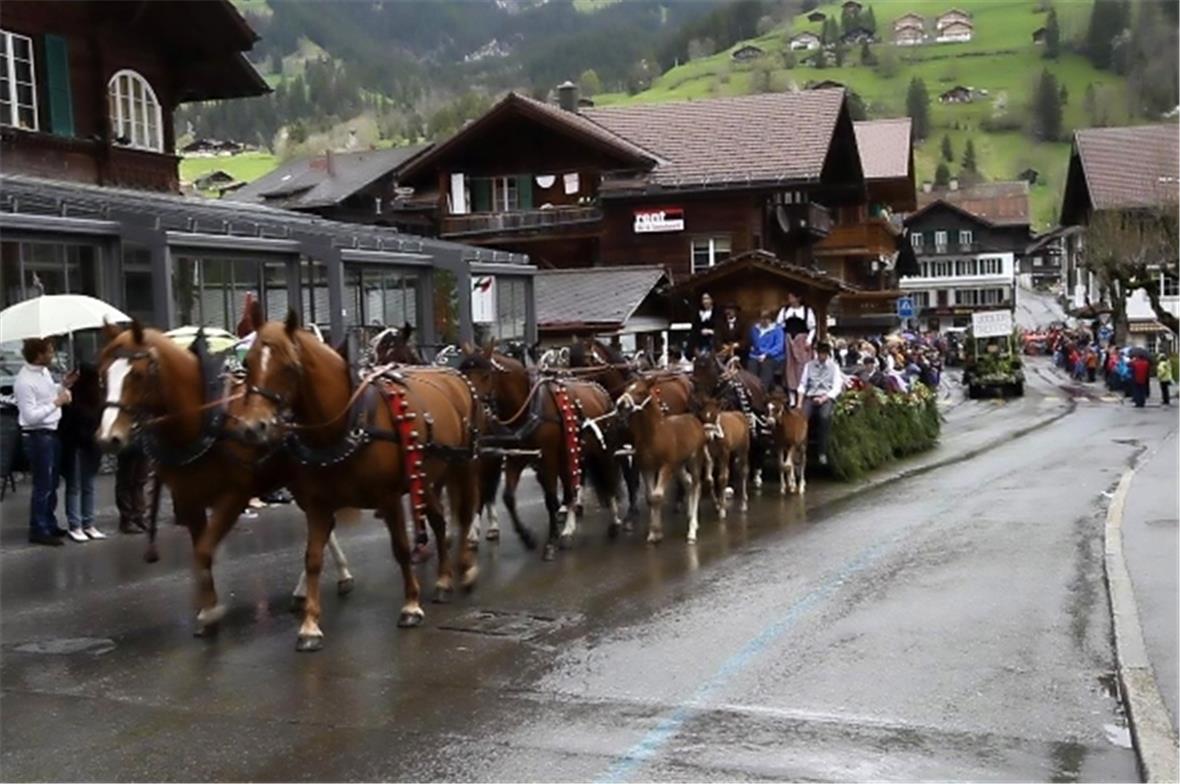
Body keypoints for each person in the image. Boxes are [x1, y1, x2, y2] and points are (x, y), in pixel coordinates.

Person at [14, 338, 73, 546]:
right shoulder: (24, 381)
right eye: (49, 351)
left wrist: (62, 386)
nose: (52, 354)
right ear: (38, 355)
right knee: (43, 485)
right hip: (37, 436)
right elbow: (30, 416)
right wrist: (57, 403)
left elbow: (46, 394)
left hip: (51, 433)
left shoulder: (44, 373)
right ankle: (38, 528)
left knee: (52, 483)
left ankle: (49, 522)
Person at [58, 362, 106, 542]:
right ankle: (76, 524)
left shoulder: (97, 396)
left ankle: (88, 523)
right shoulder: (74, 396)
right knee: (76, 486)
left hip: (88, 446)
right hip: (77, 446)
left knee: (87, 486)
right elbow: (68, 424)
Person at [797, 341, 843, 466]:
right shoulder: (809, 365)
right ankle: (800, 448)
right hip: (811, 395)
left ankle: (822, 451)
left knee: (824, 417)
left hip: (826, 397)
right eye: (819, 353)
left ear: (827, 354)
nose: (821, 356)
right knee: (803, 417)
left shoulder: (834, 367)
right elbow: (802, 384)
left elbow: (836, 387)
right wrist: (799, 403)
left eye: (823, 354)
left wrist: (825, 398)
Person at [746, 310, 785, 390]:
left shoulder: (777, 329)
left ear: (770, 320)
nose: (763, 321)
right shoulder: (754, 329)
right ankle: (752, 389)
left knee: (766, 365)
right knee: (751, 364)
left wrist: (766, 354)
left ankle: (763, 390)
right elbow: (754, 344)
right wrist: (755, 352)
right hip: (757, 354)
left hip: (774, 356)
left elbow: (779, 347)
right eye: (762, 319)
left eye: (766, 319)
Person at [689, 293, 716, 359]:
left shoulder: (717, 313)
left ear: (712, 300)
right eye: (704, 299)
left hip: (713, 340)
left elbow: (720, 327)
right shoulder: (698, 314)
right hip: (700, 341)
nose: (705, 301)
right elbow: (694, 329)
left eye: (707, 299)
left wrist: (710, 331)